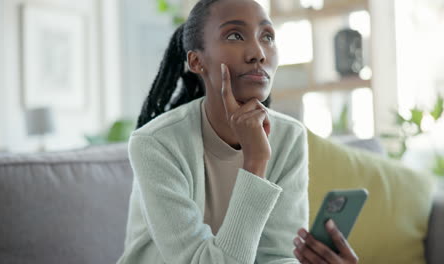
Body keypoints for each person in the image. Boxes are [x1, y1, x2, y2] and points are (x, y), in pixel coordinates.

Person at [117, 0, 358, 263]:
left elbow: (276, 256)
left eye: (267, 37)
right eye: (235, 35)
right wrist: (255, 163)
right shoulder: (155, 144)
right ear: (197, 62)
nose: (258, 53)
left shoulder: (289, 137)